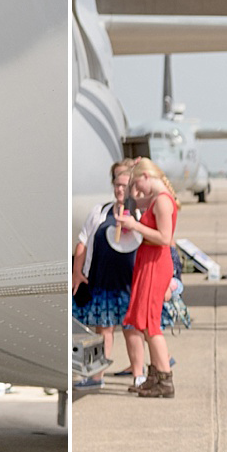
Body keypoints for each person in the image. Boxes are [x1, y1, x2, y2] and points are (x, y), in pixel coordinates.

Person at [72, 160, 139, 387]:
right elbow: (81, 243)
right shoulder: (99, 212)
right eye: (116, 185)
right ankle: (96, 376)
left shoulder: (139, 214)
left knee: (132, 331)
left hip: (130, 285)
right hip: (103, 284)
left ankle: (138, 376)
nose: (119, 189)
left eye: (124, 185)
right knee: (103, 331)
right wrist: (76, 272)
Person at [118, 157, 179, 398]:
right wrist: (133, 170)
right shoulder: (154, 198)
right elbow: (133, 198)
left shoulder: (162, 201)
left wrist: (135, 225)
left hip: (156, 263)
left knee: (151, 324)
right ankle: (156, 375)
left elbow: (165, 238)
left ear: (147, 177)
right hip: (149, 262)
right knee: (145, 323)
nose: (137, 190)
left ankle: (164, 378)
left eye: (138, 183)